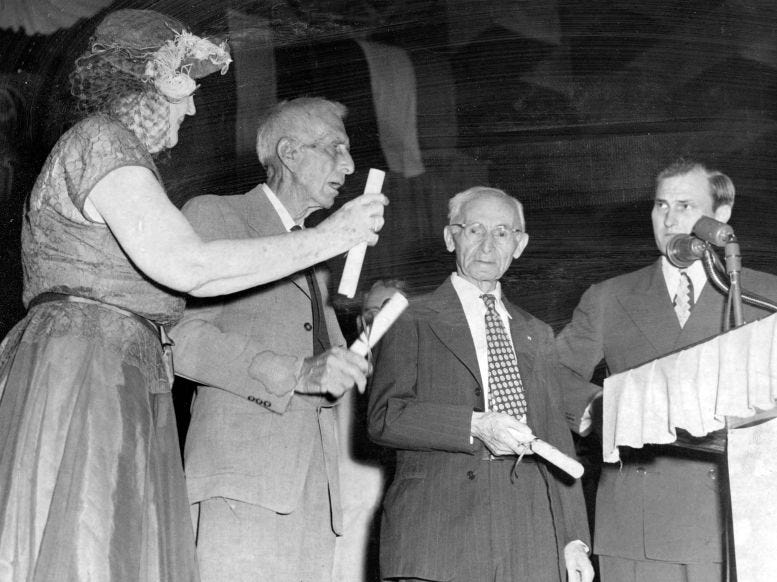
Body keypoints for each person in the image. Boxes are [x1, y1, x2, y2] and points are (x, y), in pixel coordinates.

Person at [0, 11, 386, 582]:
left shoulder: (122, 158)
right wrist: (335, 236)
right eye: (185, 90)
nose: (193, 107)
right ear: (144, 84)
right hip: (86, 372)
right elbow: (191, 268)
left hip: (118, 373)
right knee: (82, 549)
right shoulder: (105, 144)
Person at [170, 97, 381, 582]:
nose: (349, 166)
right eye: (335, 149)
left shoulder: (312, 259)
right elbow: (180, 338)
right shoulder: (218, 217)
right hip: (242, 482)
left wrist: (348, 363)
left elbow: (319, 374)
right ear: (288, 152)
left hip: (313, 491)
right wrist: (296, 373)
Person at [556, 158, 777, 582]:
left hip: (742, 520)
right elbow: (551, 374)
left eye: (685, 206)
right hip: (639, 526)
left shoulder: (762, 293)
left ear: (721, 216)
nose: (670, 219)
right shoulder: (608, 297)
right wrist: (599, 409)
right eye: (661, 205)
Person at [367, 186, 594, 582]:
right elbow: (385, 417)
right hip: (439, 530)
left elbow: (557, 438)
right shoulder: (409, 317)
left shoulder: (536, 332)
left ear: (519, 245)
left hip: (529, 535)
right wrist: (474, 425)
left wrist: (574, 539)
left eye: (502, 233)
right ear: (450, 236)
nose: (488, 244)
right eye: (474, 230)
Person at [333, 278, 409, 582]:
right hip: (349, 525)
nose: (379, 321)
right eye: (371, 312)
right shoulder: (340, 380)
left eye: (391, 311)